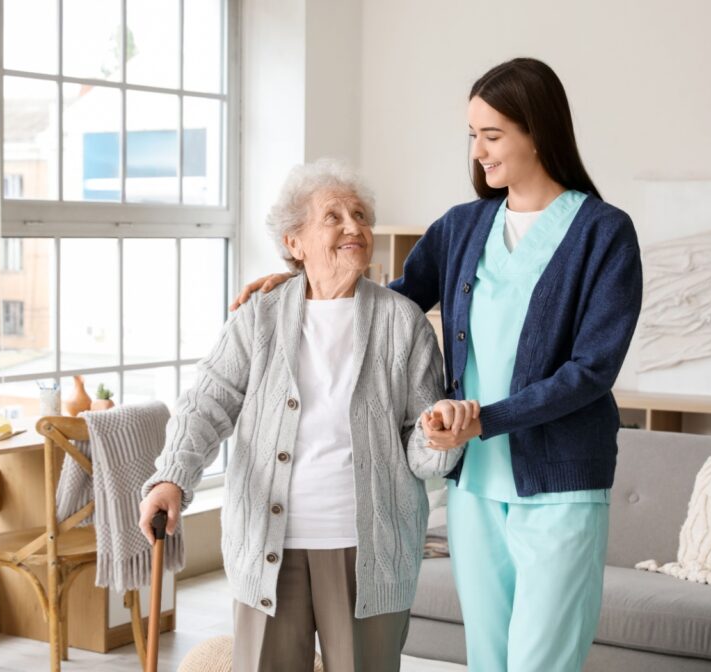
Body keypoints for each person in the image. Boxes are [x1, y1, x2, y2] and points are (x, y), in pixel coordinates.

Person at [231, 58, 644, 672]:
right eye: (472, 135)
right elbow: (387, 304)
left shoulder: (603, 233)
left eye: (493, 135)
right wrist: (304, 284)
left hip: (560, 483)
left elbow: (592, 370)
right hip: (475, 484)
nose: (478, 151)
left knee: (541, 662)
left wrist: (488, 419)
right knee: (488, 659)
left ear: (539, 130)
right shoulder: (462, 227)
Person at [138, 159, 472, 672]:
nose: (353, 226)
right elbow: (207, 401)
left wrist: (439, 441)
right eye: (332, 216)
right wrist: (172, 478)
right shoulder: (260, 315)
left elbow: (419, 442)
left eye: (359, 214)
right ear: (295, 243)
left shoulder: (402, 322)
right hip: (268, 544)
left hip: (369, 550)